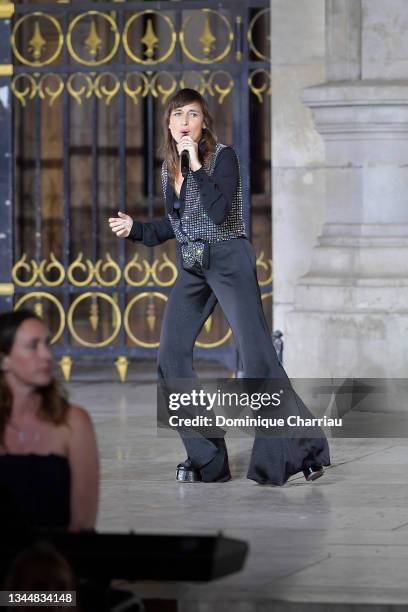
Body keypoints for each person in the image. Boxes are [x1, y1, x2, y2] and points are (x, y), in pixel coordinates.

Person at [109, 87, 330, 485]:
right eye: (177, 115)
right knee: (171, 357)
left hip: (229, 260)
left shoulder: (222, 157)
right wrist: (136, 229)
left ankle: (306, 448)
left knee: (257, 360)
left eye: (192, 115)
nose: (184, 123)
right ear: (169, 122)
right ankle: (208, 458)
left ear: (204, 121)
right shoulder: (166, 168)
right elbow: (177, 224)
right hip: (194, 266)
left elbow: (218, 211)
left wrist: (194, 166)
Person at [0, 309, 99, 530]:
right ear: (4, 360)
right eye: (33, 346)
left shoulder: (74, 422)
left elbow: (83, 525)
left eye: (47, 344)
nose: (46, 355)